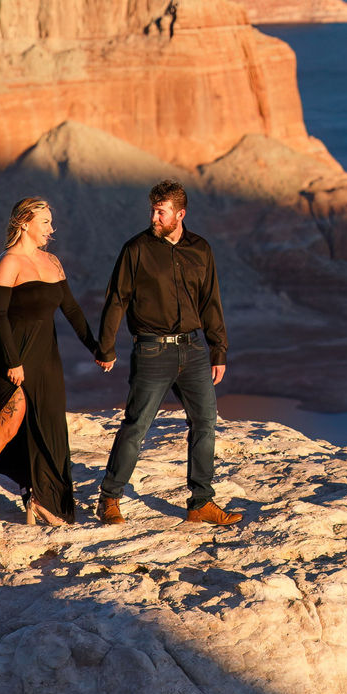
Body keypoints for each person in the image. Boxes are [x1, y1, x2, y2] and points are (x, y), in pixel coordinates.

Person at [92, 180, 240, 526]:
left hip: (193, 350)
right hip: (151, 351)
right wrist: (107, 347)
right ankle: (110, 499)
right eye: (153, 211)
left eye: (161, 212)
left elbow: (210, 301)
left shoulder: (201, 249)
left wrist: (219, 349)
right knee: (136, 426)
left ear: (180, 214)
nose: (154, 218)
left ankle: (201, 502)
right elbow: (117, 299)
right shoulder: (137, 249)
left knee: (205, 422)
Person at [0, 197, 99, 529]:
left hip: (46, 359)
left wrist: (96, 347)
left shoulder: (52, 262)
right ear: (24, 223)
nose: (51, 228)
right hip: (13, 358)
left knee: (46, 429)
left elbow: (72, 310)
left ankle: (40, 499)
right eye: (45, 222)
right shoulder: (8, 263)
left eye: (50, 221)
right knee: (7, 426)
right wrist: (14, 361)